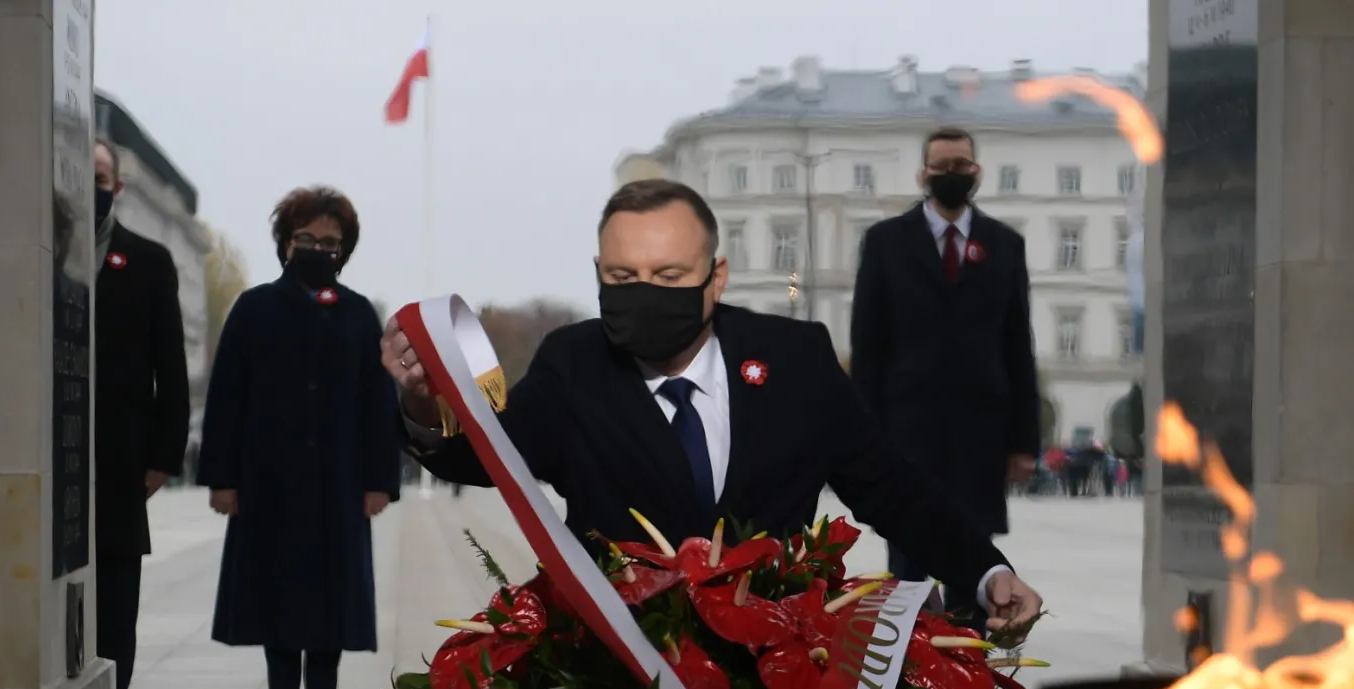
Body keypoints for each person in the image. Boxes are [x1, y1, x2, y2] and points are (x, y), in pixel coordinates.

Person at [385, 179, 1043, 642]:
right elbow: (491, 456)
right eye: (621, 278)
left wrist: (986, 572)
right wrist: (421, 401)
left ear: (716, 277)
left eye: (669, 277)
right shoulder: (573, 364)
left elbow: (892, 489)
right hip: (618, 671)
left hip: (776, 663)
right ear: (597, 271)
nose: (644, 294)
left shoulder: (794, 359)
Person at [196, 187, 401, 689]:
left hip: (339, 484)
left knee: (331, 608)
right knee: (279, 606)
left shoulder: (360, 314)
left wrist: (380, 480)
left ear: (345, 250)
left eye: (330, 242)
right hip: (270, 484)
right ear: (286, 244)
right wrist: (223, 479)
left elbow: (376, 401)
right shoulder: (255, 308)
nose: (317, 249)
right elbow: (227, 397)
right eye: (306, 239)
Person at [848, 126, 1040, 621]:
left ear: (976, 173)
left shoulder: (1005, 245)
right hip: (906, 431)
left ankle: (972, 668)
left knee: (975, 564)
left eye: (961, 166)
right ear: (923, 174)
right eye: (942, 167)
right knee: (909, 559)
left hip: (981, 435)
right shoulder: (886, 242)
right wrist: (864, 436)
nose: (951, 175)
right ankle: (909, 672)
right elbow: (868, 347)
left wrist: (1024, 441)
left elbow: (1018, 344)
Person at [92, 138, 190, 689]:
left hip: (120, 455)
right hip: (49, 451)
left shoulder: (148, 260)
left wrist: (164, 454)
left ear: (117, 186)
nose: (92, 184)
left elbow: (170, 366)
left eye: (102, 175)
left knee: (115, 593)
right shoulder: (37, 250)